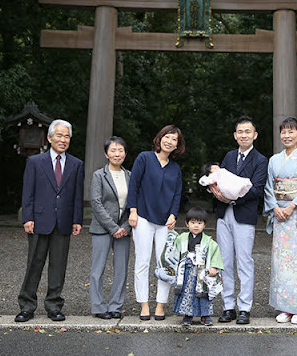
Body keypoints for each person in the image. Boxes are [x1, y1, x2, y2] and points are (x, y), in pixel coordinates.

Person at [15, 119, 84, 323]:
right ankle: (27, 306)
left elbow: (77, 195)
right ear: (50, 137)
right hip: (39, 220)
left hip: (63, 221)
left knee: (58, 266)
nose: (63, 140)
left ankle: (54, 305)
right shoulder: (35, 162)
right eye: (59, 135)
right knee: (34, 264)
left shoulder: (76, 164)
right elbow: (28, 192)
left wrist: (77, 219)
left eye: (67, 136)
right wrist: (27, 217)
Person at [211, 116, 268, 325]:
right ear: (235, 136)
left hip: (244, 214)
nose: (244, 135)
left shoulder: (261, 160)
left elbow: (257, 189)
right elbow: (220, 180)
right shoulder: (228, 157)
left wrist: (232, 196)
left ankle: (245, 308)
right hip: (223, 213)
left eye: (248, 131)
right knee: (224, 261)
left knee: (244, 261)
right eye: (240, 132)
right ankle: (228, 306)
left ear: (255, 135)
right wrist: (217, 192)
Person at [127, 125, 185, 321]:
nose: (169, 141)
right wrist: (133, 211)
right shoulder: (144, 158)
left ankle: (160, 305)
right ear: (160, 138)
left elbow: (177, 195)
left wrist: (173, 215)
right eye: (167, 137)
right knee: (142, 262)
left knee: (165, 264)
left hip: (165, 222)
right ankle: (144, 304)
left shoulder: (175, 168)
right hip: (142, 217)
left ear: (178, 145)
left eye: (174, 139)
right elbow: (133, 185)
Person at [263, 117, 297, 324]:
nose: (287, 136)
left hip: (296, 216)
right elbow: (269, 187)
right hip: (279, 215)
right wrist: (276, 208)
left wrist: (292, 206)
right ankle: (284, 307)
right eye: (283, 132)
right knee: (280, 262)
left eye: (291, 132)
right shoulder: (274, 160)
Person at [157, 207, 224, 326]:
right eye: (193, 222)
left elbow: (215, 253)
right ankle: (187, 315)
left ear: (204, 225)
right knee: (186, 293)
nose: (196, 226)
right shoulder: (182, 238)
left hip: (202, 272)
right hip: (186, 271)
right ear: (187, 224)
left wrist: (213, 266)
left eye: (199, 223)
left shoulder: (209, 242)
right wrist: (170, 233)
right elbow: (173, 249)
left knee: (203, 294)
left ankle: (205, 316)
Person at [89, 136, 131, 320]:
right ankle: (98, 307)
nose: (117, 154)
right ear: (106, 154)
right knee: (98, 269)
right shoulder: (99, 175)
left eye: (120, 150)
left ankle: (115, 306)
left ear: (125, 153)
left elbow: (135, 203)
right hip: (102, 227)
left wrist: (126, 226)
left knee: (121, 269)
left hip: (124, 228)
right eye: (113, 150)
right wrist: (113, 227)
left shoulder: (130, 175)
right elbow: (96, 203)